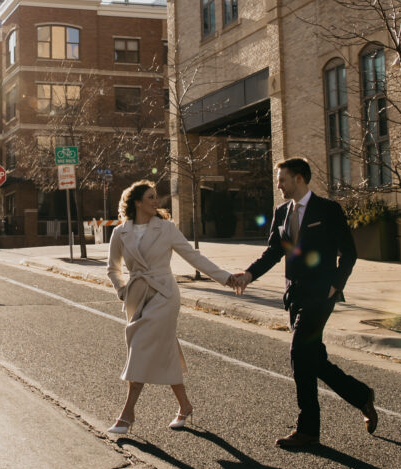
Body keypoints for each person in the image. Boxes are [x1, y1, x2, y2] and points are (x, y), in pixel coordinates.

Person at [229, 157, 378, 449]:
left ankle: (308, 429)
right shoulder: (282, 212)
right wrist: (248, 275)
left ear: (299, 178)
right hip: (294, 296)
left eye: (282, 179)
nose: (279, 184)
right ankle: (361, 395)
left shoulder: (328, 209)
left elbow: (348, 252)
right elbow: (273, 251)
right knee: (314, 360)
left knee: (299, 354)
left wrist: (336, 284)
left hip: (321, 295)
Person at [104, 180, 235, 438]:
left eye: (156, 197)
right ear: (137, 202)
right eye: (151, 197)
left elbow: (193, 256)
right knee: (164, 349)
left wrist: (226, 278)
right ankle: (185, 406)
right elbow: (113, 269)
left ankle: (127, 414)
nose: (156, 201)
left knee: (140, 346)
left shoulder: (166, 228)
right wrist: (124, 291)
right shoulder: (120, 233)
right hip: (137, 297)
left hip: (164, 295)